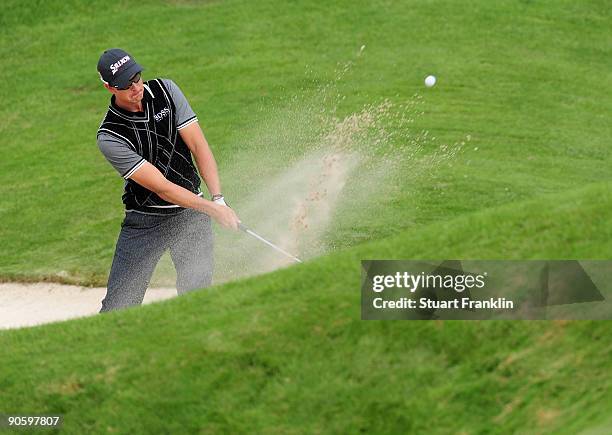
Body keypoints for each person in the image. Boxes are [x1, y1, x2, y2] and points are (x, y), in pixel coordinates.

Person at [95, 48, 240, 312]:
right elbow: (162, 188)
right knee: (119, 306)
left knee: (196, 298)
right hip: (146, 222)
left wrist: (218, 198)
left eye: (137, 77)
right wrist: (212, 209)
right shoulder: (110, 137)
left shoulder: (166, 91)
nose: (135, 87)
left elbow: (198, 146)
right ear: (109, 87)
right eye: (125, 85)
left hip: (192, 213)